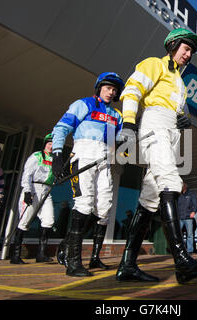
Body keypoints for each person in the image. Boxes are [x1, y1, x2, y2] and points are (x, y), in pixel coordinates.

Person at [116, 28, 197, 284]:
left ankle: (127, 264)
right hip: (155, 125)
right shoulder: (153, 64)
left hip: (172, 132)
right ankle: (182, 261)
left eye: (191, 52)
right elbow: (132, 90)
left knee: (150, 199)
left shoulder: (181, 83)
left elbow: (181, 112)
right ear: (173, 45)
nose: (189, 54)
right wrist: (128, 123)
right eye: (186, 48)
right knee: (172, 184)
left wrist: (185, 119)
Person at [52, 72, 124, 277]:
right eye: (108, 87)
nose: (112, 92)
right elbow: (61, 128)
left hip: (105, 161)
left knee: (103, 209)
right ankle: (73, 263)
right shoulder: (83, 104)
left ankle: (67, 244)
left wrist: (131, 134)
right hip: (83, 156)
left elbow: (121, 140)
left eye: (115, 89)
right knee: (84, 204)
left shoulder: (117, 115)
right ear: (100, 87)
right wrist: (58, 156)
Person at [10, 133, 55, 264]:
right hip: (34, 189)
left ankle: (41, 254)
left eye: (53, 144)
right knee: (24, 220)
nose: (51, 146)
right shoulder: (36, 156)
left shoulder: (54, 159)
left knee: (49, 220)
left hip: (47, 191)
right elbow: (27, 174)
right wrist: (27, 191)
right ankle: (15, 255)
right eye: (49, 143)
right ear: (45, 144)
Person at [177, 183, 197, 254]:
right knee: (179, 235)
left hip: (188, 217)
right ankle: (181, 250)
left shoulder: (191, 194)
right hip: (179, 217)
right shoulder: (178, 195)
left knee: (190, 235)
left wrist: (193, 212)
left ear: (185, 187)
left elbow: (195, 204)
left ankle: (190, 250)